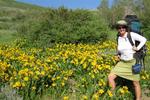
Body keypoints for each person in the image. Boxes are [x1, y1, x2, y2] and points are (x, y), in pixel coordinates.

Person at [108, 20, 147, 100]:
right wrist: (118, 55)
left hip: (132, 62)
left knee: (135, 83)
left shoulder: (131, 35)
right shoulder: (118, 37)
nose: (121, 29)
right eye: (119, 27)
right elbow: (119, 49)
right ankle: (112, 96)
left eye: (123, 27)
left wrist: (137, 48)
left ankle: (138, 99)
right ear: (117, 29)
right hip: (122, 62)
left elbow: (144, 39)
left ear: (126, 28)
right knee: (110, 77)